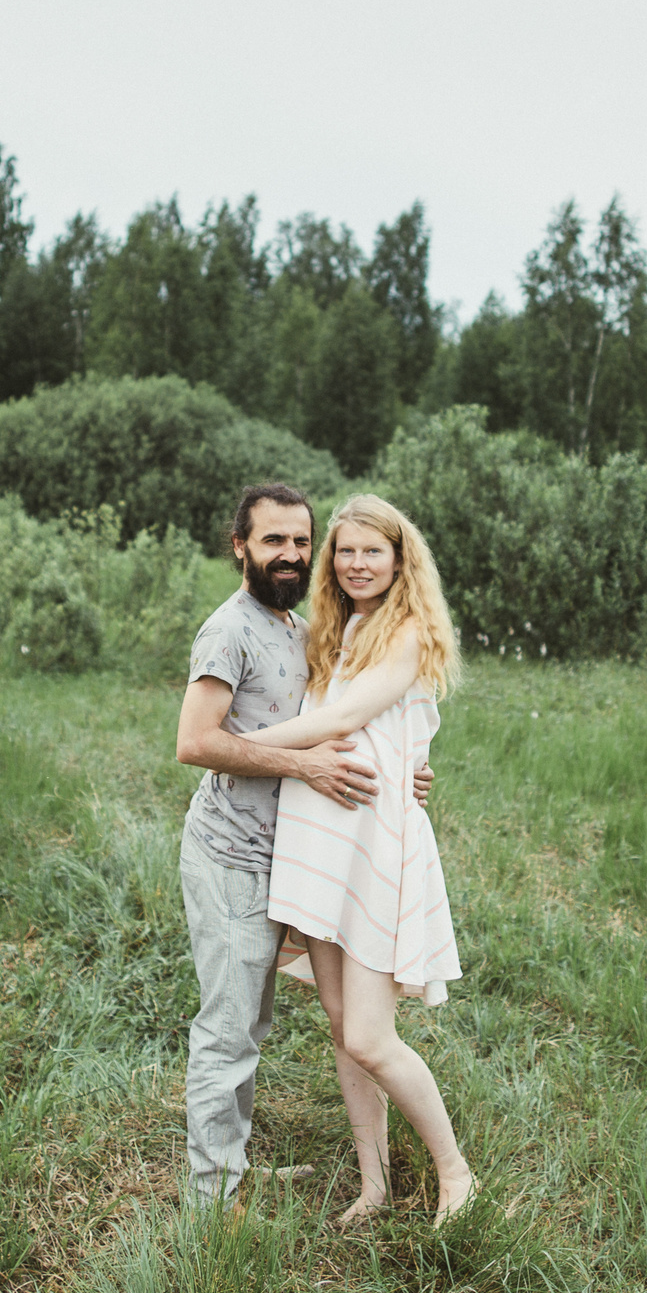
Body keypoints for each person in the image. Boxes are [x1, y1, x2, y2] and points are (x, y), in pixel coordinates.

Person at [172, 482, 432, 1208]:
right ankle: (211, 1202)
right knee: (227, 1029)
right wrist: (306, 762)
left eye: (298, 541)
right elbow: (195, 742)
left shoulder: (300, 623)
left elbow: (352, 715)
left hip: (295, 857)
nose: (288, 554)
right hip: (233, 856)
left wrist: (403, 767)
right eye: (271, 540)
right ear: (240, 547)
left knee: (252, 1021)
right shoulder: (229, 630)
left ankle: (232, 1164)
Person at [232, 493, 473, 1224]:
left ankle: (457, 1173)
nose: (357, 562)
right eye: (345, 550)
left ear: (401, 559)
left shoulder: (405, 628)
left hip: (370, 847)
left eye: (373, 550)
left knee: (370, 1034)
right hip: (318, 844)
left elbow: (339, 720)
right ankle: (375, 1183)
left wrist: (233, 750)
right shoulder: (339, 630)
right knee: (342, 1028)